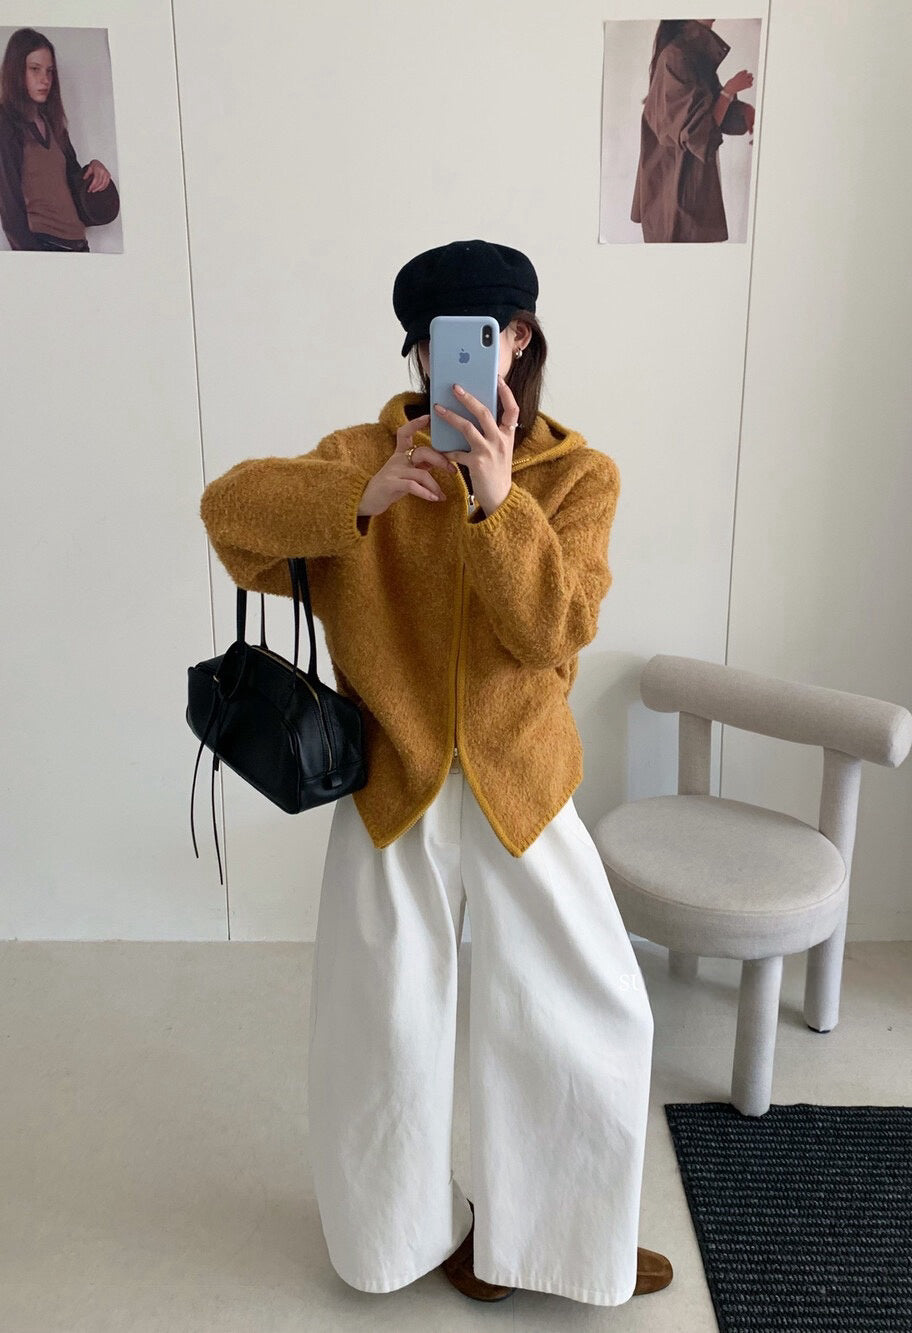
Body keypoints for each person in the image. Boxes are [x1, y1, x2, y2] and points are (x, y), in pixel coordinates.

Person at [198, 238, 672, 1306]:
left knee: (589, 1009)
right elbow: (228, 516)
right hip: (394, 782)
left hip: (521, 784)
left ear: (521, 340)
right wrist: (357, 501)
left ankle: (558, 1243)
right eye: (438, 341)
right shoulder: (362, 455)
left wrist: (499, 505)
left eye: (490, 334)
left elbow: (556, 627)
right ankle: (400, 1240)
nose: (463, 358)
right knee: (384, 1029)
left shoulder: (577, 476)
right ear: (416, 351)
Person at [630, 18, 755, 243]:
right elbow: (698, 133)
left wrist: (747, 113)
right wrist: (728, 92)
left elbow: (711, 115)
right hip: (676, 203)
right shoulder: (677, 56)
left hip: (689, 199)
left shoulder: (692, 53)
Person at [0, 28, 112, 252]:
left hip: (79, 244)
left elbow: (71, 181)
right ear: (16, 70)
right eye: (35, 69)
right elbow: (9, 208)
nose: (45, 80)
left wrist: (94, 168)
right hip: (44, 246)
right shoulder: (5, 122)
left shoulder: (53, 123)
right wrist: (34, 260)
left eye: (50, 71)